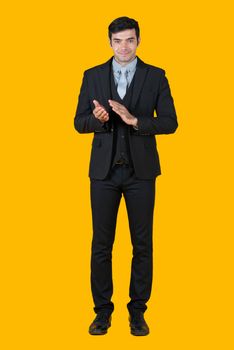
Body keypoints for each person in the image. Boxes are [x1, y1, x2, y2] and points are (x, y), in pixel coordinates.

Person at [74, 16, 178, 336]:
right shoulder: (91, 76)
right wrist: (96, 119)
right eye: (117, 41)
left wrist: (136, 121)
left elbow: (171, 123)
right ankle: (102, 312)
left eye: (129, 40)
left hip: (141, 174)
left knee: (142, 244)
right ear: (109, 43)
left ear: (138, 41)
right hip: (103, 173)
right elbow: (78, 122)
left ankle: (137, 311)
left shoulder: (156, 76)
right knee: (101, 245)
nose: (123, 47)